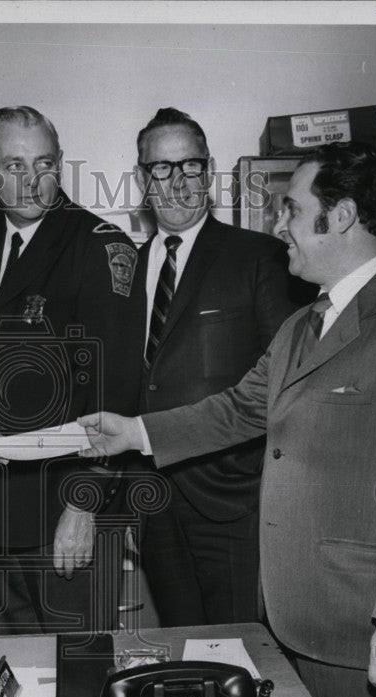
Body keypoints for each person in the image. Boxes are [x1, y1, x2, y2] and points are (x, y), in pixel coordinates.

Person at [78, 142, 376, 697]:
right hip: (288, 619)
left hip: (361, 633)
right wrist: (134, 432)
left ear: (340, 216)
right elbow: (239, 409)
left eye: (292, 209)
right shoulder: (302, 325)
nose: (278, 225)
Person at [0, 106, 146, 634]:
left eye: (44, 164)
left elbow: (118, 387)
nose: (31, 181)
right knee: (6, 677)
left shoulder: (101, 244)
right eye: (13, 165)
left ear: (60, 165)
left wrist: (84, 503)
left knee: (77, 674)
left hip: (66, 510)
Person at [132, 108, 300, 626]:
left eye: (189, 166)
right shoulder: (127, 265)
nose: (176, 182)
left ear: (209, 173)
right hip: (155, 500)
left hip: (233, 502)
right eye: (160, 168)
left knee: (242, 655)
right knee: (184, 649)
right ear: (142, 179)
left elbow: (287, 382)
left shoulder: (260, 257)